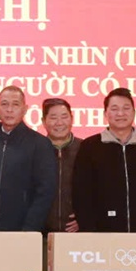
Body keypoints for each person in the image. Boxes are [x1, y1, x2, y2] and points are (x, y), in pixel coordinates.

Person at [72, 88, 136, 232]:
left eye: (126, 108)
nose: (120, 114)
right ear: (105, 114)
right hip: (102, 232)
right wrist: (89, 229)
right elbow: (81, 192)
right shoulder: (90, 146)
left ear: (134, 112)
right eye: (114, 109)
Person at [0, 87, 54, 232]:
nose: (9, 110)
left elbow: (45, 192)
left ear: (25, 109)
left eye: (15, 104)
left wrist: (29, 229)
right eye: (4, 104)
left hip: (24, 231)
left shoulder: (40, 144)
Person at [42, 98, 79, 233]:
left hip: (77, 234)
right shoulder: (35, 149)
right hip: (40, 233)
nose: (59, 123)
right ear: (43, 121)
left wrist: (84, 217)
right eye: (53, 118)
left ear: (72, 119)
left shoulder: (85, 149)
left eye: (64, 117)